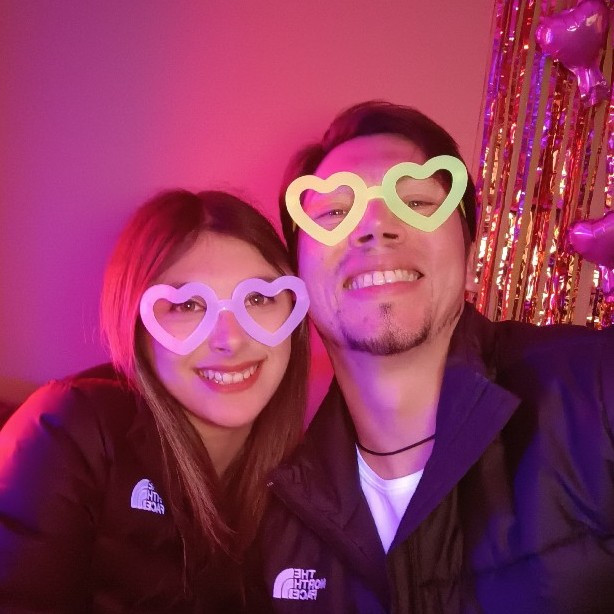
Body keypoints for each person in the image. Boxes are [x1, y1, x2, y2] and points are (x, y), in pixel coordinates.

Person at [259, 101, 614, 613]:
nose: (376, 228)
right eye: (335, 212)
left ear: (469, 254)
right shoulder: (270, 515)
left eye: (416, 201)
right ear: (297, 274)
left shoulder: (594, 393)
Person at [0, 190, 309, 612]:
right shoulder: (69, 433)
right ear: (138, 330)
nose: (231, 339)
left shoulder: (308, 483)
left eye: (258, 299)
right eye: (187, 305)